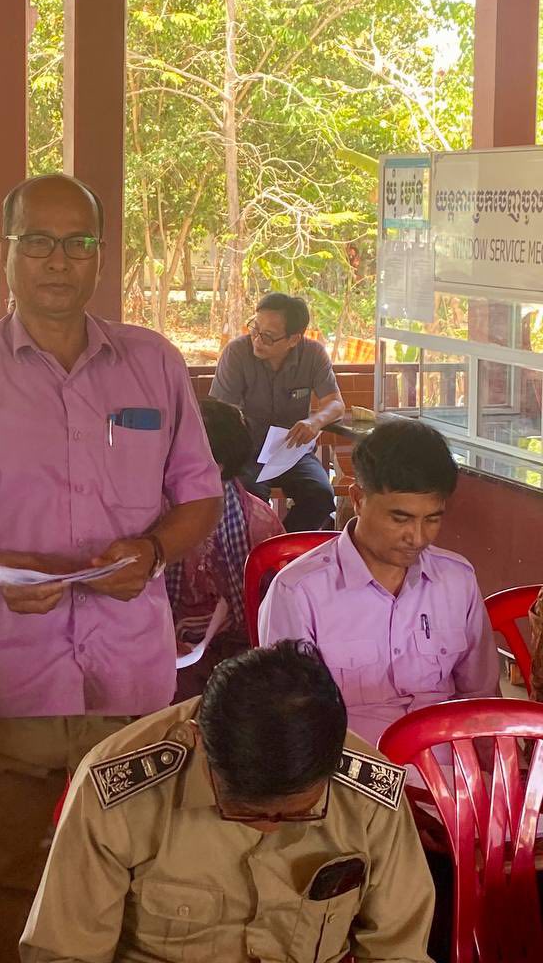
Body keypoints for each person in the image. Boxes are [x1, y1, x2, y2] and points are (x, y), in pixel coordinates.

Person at [0, 172, 222, 962]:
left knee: (145, 885)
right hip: (6, 679)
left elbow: (200, 494)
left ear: (101, 255)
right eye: (37, 241)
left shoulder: (153, 364)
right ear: (4, 253)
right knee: (7, 887)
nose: (58, 260)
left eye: (77, 242)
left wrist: (153, 551)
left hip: (130, 683)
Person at [21, 639, 434, 962]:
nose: (269, 827)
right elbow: (66, 953)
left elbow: (397, 952)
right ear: (201, 743)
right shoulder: (120, 790)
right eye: (242, 811)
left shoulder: (367, 792)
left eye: (297, 814)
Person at [259, 418, 499, 749]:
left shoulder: (457, 580)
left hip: (450, 769)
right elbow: (292, 719)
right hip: (349, 769)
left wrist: (495, 774)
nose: (417, 538)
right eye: (400, 518)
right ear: (358, 499)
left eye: (432, 519)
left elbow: (482, 700)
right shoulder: (298, 592)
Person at [167, 400, 283, 695]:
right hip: (169, 640)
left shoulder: (258, 521)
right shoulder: (157, 513)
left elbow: (275, 600)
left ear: (218, 466)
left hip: (241, 642)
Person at [210, 292, 345, 531]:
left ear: (294, 339)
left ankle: (284, 546)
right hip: (247, 454)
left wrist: (314, 422)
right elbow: (221, 412)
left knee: (321, 495)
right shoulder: (237, 353)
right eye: (255, 328)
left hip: (292, 452)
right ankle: (263, 549)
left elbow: (335, 403)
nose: (257, 339)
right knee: (249, 498)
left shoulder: (313, 354)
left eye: (268, 336)